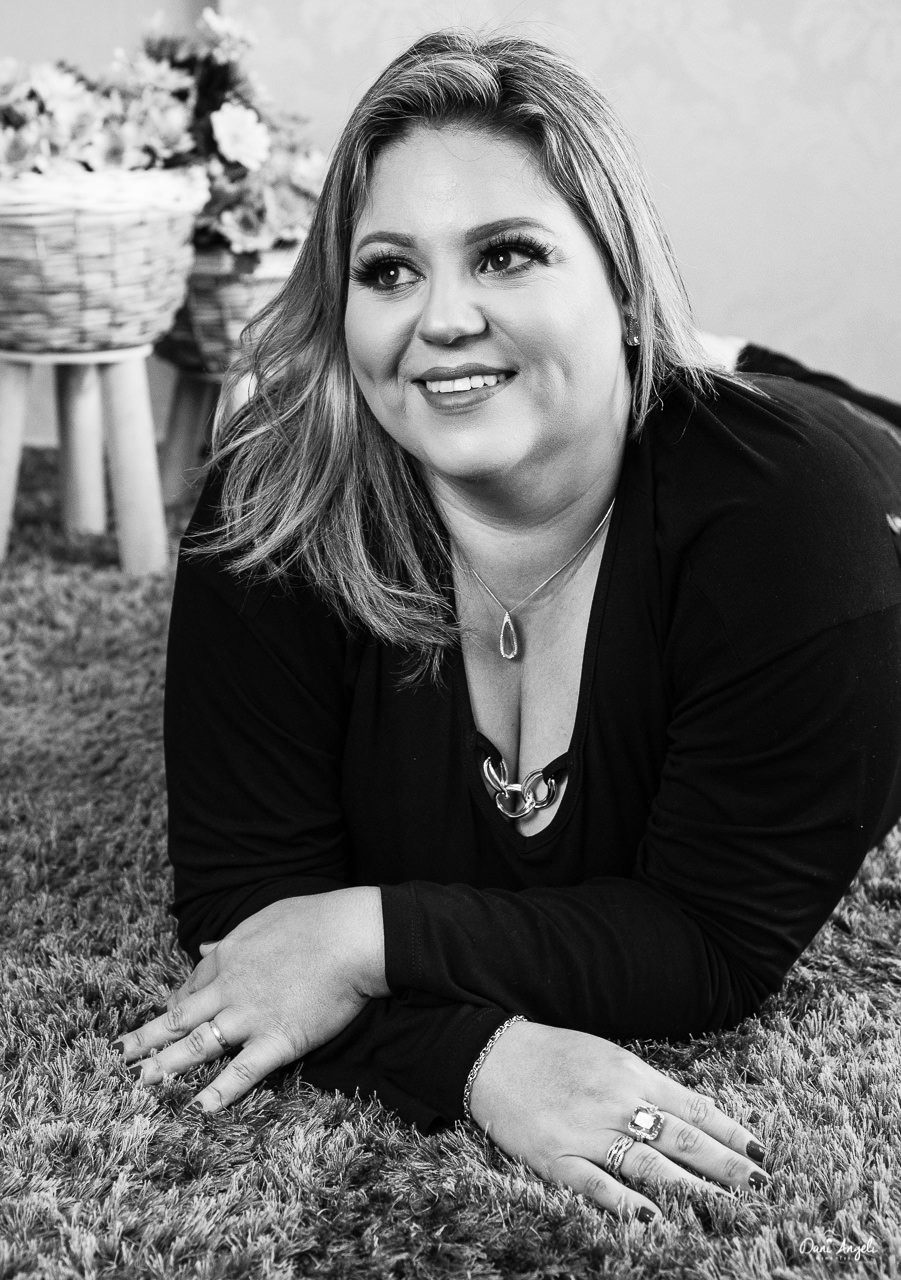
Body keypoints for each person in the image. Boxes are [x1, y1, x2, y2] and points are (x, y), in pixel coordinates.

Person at [111, 30, 901, 1223]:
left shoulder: (793, 526)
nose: (440, 317)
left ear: (622, 282)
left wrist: (364, 932)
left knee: (787, 412)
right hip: (617, 389)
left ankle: (702, 358)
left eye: (506, 253)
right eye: (388, 270)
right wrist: (479, 1058)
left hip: (852, 477)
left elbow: (710, 935)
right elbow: (251, 923)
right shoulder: (273, 506)